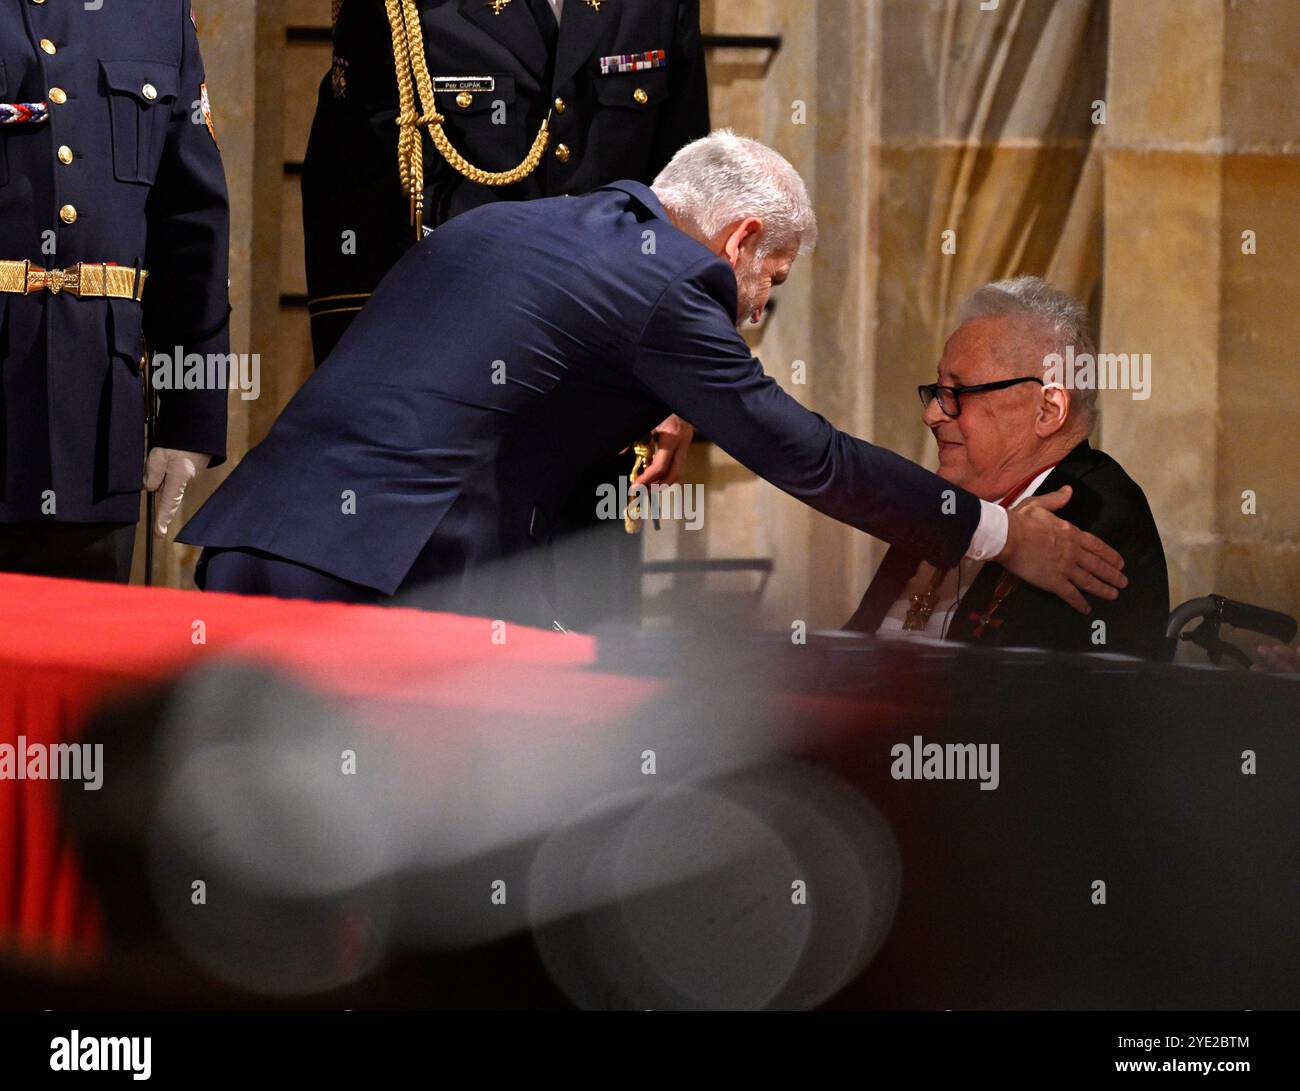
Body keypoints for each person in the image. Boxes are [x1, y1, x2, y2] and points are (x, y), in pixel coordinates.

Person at [177, 133, 1127, 626]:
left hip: (252, 541)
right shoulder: (672, 285)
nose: (753, 311)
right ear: (742, 241)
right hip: (368, 586)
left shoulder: (509, 224)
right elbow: (809, 457)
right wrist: (996, 535)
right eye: (771, 285)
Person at [302, 0, 711, 628]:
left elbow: (685, 204)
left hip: (604, 406)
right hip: (445, 412)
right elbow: (350, 207)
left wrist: (677, 388)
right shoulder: (404, 8)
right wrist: (360, 404)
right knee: (443, 664)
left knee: (590, 667)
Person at [0, 0, 230, 583]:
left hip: (96, 423)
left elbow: (190, 229)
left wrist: (188, 419)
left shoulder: (154, 14)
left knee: (81, 661)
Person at [845, 277, 1170, 659]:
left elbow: (1024, 702)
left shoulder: (1098, 513)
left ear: (1048, 411)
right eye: (936, 392)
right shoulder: (947, 499)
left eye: (957, 394)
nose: (931, 414)